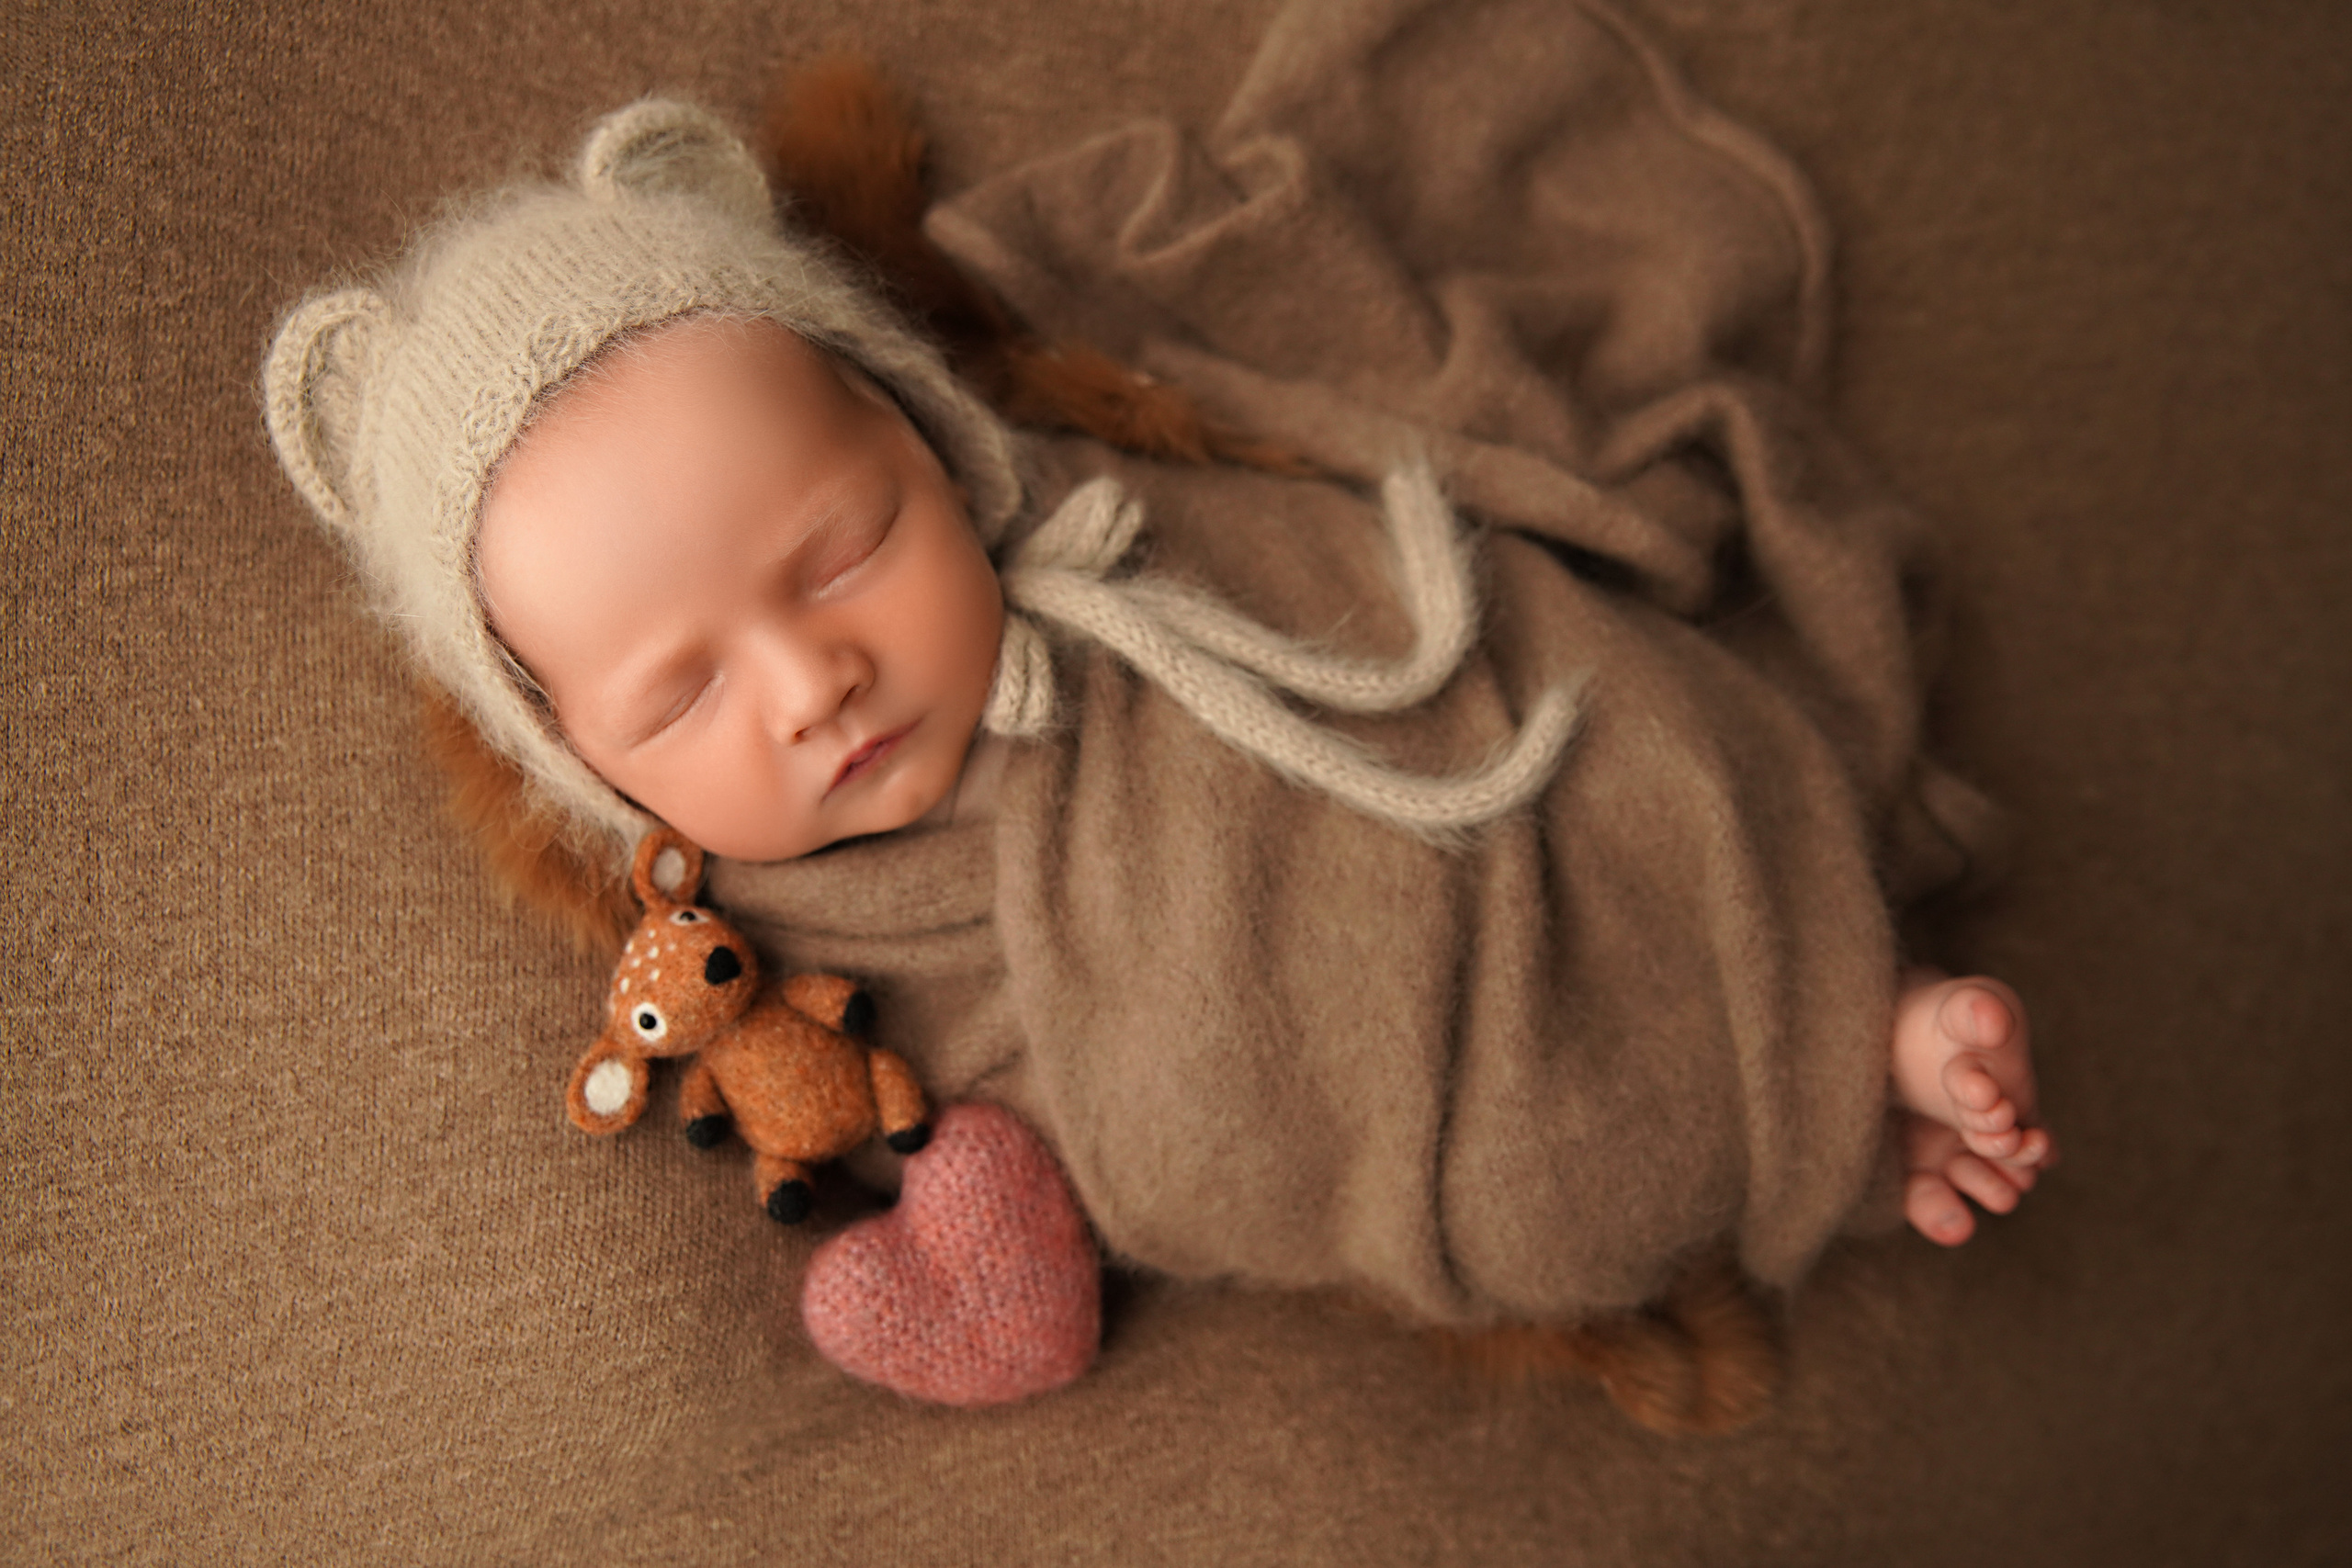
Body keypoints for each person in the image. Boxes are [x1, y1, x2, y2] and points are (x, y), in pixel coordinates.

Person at [264, 95, 2052, 1409]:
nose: (810, 678)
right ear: (581, 764)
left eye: (843, 553)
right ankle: (1809, 1120)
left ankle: (1846, 1005)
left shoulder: (1132, 539)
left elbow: (1415, 616)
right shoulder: (777, 953)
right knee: (1552, 1175)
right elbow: (1012, 1124)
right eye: (678, 696)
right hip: (1360, 1117)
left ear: (936, 446)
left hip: (1463, 807)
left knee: (1613, 743)